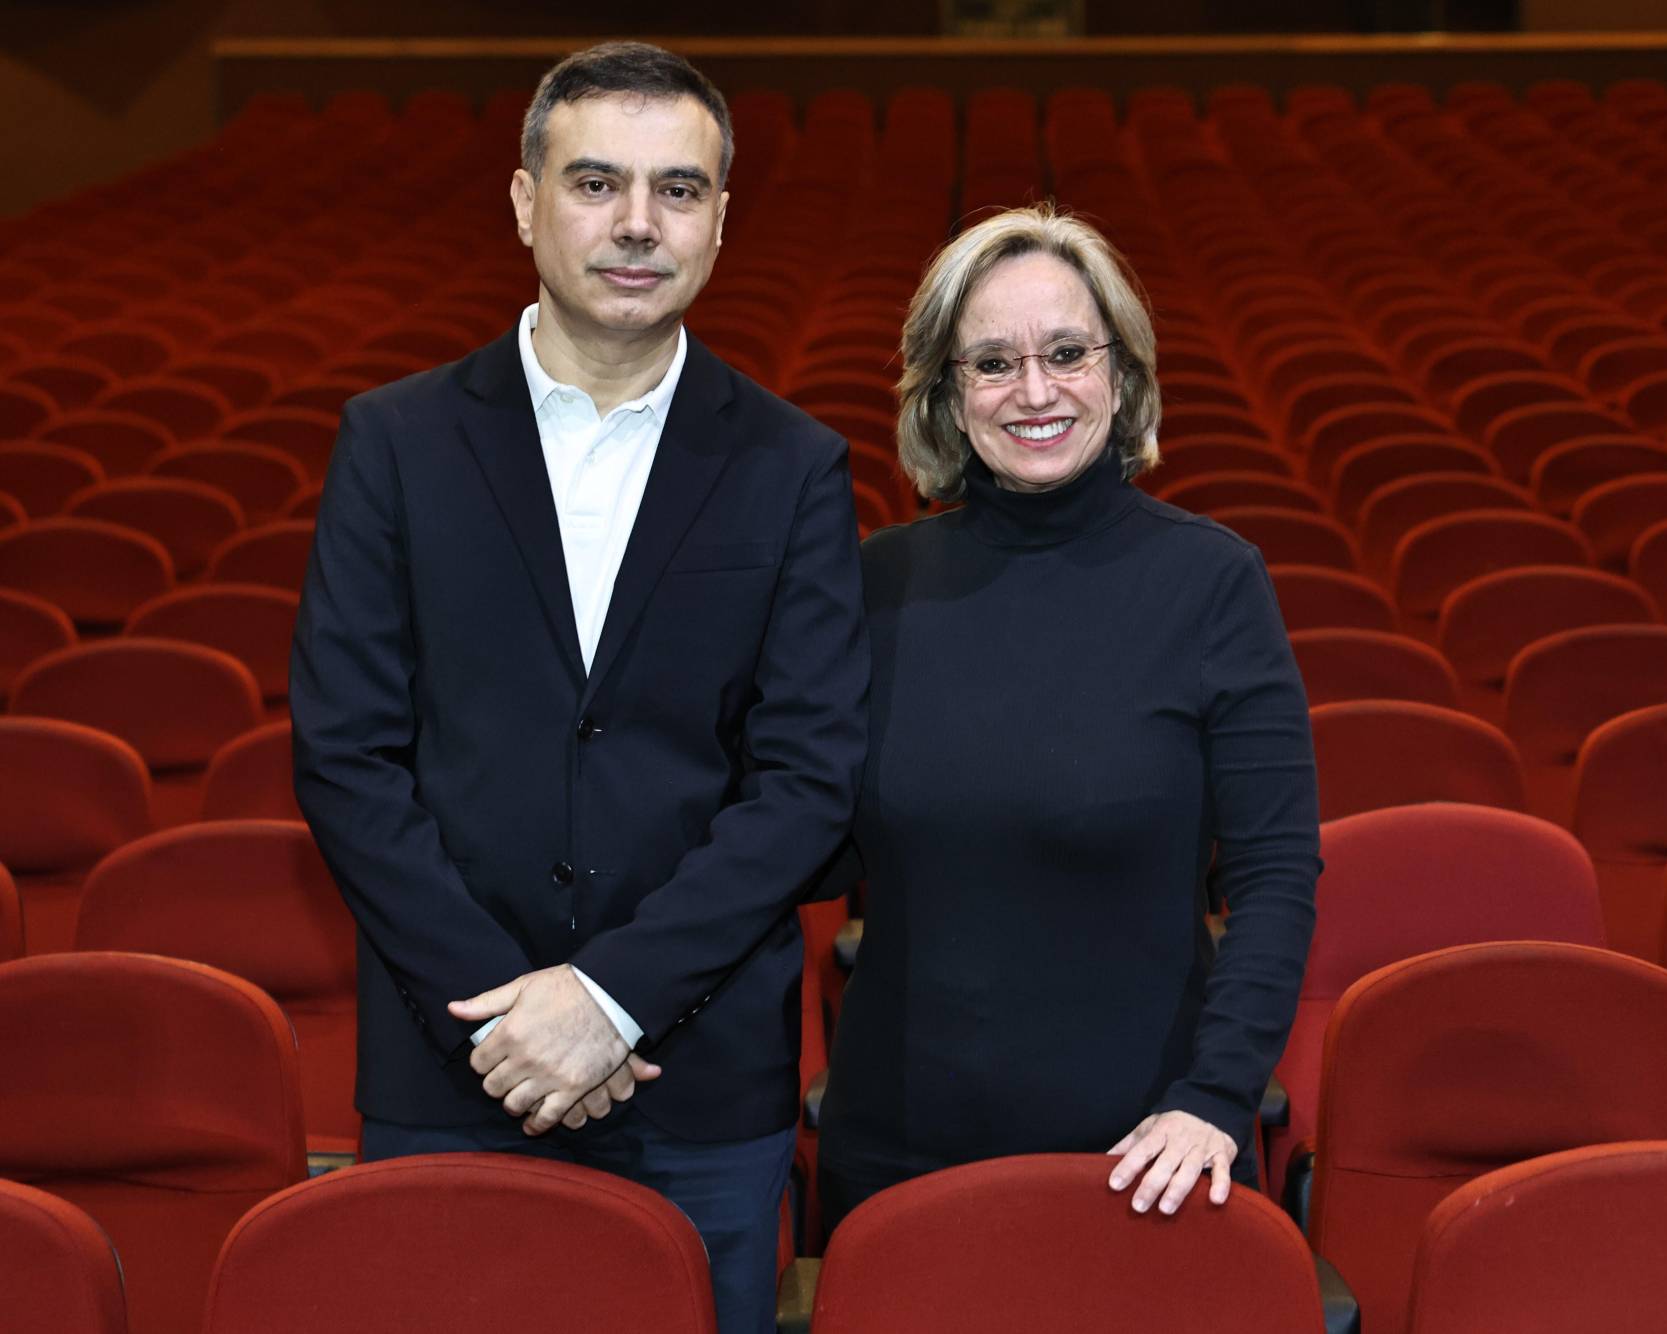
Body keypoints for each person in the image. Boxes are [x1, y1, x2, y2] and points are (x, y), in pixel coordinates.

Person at [290, 42, 867, 1334]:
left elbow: (810, 783)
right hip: (454, 1056)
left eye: (679, 189)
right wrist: (509, 1020)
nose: (636, 225)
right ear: (524, 200)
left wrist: (608, 1001)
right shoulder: (393, 442)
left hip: (695, 1074)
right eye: (597, 181)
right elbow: (346, 755)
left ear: (721, 216)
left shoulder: (794, 465)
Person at [815, 204, 1319, 1229]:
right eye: (991, 360)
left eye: (1065, 352)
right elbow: (796, 838)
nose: (1033, 390)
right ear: (948, 396)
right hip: (899, 1148)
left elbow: (1273, 872)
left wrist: (1216, 1097)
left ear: (1121, 371)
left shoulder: (1211, 579)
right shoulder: (873, 583)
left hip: (1146, 1156)